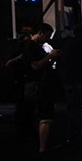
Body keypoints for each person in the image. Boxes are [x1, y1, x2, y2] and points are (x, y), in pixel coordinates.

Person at [23, 23, 61, 153]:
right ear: (40, 32)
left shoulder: (33, 46)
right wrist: (50, 56)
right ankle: (43, 147)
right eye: (47, 35)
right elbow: (35, 65)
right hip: (39, 85)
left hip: (39, 84)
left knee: (40, 114)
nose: (48, 39)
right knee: (45, 115)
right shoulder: (31, 46)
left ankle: (42, 145)